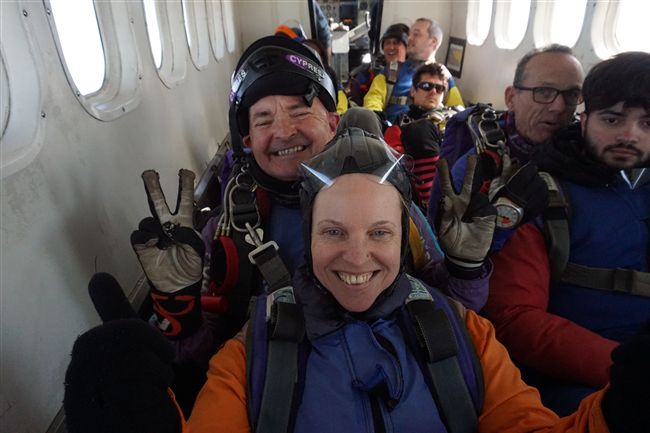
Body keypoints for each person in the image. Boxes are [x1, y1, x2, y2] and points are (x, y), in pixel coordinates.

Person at [63, 129, 650, 433]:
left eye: (380, 232)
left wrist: (621, 411)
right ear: (308, 236)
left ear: (405, 238)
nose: (357, 255)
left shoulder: (463, 332)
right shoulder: (254, 348)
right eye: (333, 232)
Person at [124, 35, 494, 413]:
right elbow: (203, 358)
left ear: (333, 123)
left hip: (400, 392)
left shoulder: (389, 206)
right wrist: (178, 307)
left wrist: (464, 267)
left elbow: (452, 314)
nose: (284, 131)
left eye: (300, 112)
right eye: (263, 119)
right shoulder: (228, 229)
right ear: (248, 139)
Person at [482, 51, 650, 416]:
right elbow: (514, 318)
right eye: (612, 119)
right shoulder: (540, 194)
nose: (629, 135)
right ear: (584, 118)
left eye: (647, 124)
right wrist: (626, 370)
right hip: (573, 384)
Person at [428, 44, 584, 251]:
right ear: (511, 98)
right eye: (544, 92)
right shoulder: (477, 166)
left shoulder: (589, 163)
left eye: (572, 95)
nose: (559, 107)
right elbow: (447, 247)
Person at [383, 62, 459, 209]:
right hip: (415, 191)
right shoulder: (402, 122)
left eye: (439, 88)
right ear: (413, 91)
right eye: (426, 86)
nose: (433, 91)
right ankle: (433, 204)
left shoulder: (455, 117)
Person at [364, 18, 463, 124]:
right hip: (393, 131)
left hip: (430, 131)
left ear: (433, 41)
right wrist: (379, 123)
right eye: (409, 34)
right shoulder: (392, 70)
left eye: (416, 34)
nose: (409, 38)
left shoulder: (444, 76)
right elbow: (373, 101)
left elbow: (459, 113)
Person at [347, 23, 409, 106]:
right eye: (387, 43)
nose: (391, 47)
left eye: (396, 43)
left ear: (407, 48)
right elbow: (351, 100)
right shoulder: (368, 76)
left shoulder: (419, 74)